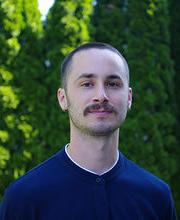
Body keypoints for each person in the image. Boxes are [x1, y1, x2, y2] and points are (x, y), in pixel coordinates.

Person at [0, 42, 176, 220]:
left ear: (129, 98)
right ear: (63, 98)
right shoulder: (24, 199)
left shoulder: (156, 197)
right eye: (86, 84)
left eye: (113, 84)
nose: (101, 95)